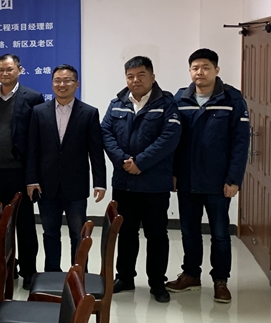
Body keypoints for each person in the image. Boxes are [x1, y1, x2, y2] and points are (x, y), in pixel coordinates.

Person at [166, 49, 250, 303]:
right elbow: (172, 140)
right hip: (187, 178)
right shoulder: (180, 99)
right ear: (189, 71)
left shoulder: (232, 99)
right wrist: (173, 173)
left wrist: (234, 179)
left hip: (218, 180)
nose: (199, 72)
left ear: (216, 70)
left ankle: (220, 280)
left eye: (205, 67)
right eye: (195, 68)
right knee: (189, 231)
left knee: (220, 233)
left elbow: (240, 143)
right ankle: (191, 274)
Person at [101, 56, 181, 303]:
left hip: (154, 184)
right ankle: (125, 277)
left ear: (152, 77)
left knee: (156, 235)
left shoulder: (166, 104)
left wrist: (141, 163)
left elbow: (169, 138)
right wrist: (122, 160)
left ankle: (157, 283)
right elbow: (106, 132)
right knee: (125, 232)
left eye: (141, 75)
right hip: (124, 183)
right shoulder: (117, 103)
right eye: (130, 76)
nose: (135, 80)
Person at [27, 64, 106, 276]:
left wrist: (99, 182)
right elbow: (32, 149)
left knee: (78, 234)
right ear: (52, 83)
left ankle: (78, 274)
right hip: (46, 185)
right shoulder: (39, 112)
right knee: (50, 232)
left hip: (76, 185)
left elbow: (95, 150)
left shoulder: (89, 113)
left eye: (67, 80)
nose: (62, 84)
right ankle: (52, 274)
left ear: (76, 84)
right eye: (57, 80)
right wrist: (31, 180)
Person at [0, 54, 43, 289]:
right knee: (0, 225)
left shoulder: (33, 97)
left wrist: (33, 176)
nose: (4, 73)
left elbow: (36, 141)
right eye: (1, 70)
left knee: (25, 225)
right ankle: (8, 267)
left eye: (9, 69)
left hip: (20, 172)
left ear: (19, 69)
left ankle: (29, 271)